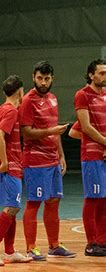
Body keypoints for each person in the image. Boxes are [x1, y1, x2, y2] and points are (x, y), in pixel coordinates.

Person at [19, 61, 75, 260]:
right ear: (33, 77)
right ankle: (31, 248)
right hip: (35, 161)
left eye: (47, 78)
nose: (43, 82)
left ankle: (54, 245)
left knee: (53, 201)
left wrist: (61, 155)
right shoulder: (27, 100)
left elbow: (56, 131)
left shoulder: (53, 98)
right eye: (40, 78)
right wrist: (52, 131)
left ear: (52, 79)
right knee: (34, 203)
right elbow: (26, 132)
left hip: (52, 160)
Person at [0, 74, 32, 266]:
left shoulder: (2, 109)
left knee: (13, 207)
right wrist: (3, 161)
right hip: (11, 165)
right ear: (20, 91)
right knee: (13, 207)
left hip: (11, 164)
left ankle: (10, 251)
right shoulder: (11, 111)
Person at [74, 58, 106, 257]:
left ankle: (102, 240)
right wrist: (104, 142)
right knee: (93, 198)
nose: (104, 76)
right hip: (92, 155)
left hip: (104, 152)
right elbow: (84, 127)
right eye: (101, 73)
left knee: (104, 199)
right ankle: (91, 242)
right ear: (91, 75)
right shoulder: (82, 95)